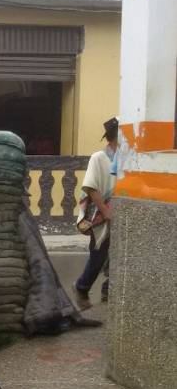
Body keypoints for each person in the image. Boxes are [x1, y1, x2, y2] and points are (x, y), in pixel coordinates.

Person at [74, 117, 118, 310]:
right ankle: (81, 287)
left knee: (117, 254)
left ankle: (108, 291)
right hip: (101, 215)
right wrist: (105, 210)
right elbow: (91, 187)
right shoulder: (98, 158)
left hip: (118, 213)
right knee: (98, 255)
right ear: (114, 137)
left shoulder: (123, 158)